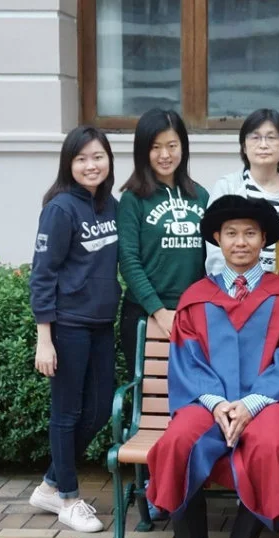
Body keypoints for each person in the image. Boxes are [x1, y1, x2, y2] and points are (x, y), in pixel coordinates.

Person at [146, 195, 279, 538]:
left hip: (268, 403)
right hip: (208, 403)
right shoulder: (196, 297)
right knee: (177, 441)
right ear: (217, 238)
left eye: (250, 233)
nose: (240, 242)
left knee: (270, 445)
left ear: (264, 239)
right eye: (231, 233)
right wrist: (219, 404)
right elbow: (188, 360)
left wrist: (250, 405)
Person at [28, 126, 120, 533]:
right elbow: (42, 275)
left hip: (101, 324)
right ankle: (67, 497)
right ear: (69, 163)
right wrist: (44, 338)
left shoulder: (111, 205)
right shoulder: (61, 209)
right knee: (66, 413)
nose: (90, 165)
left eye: (97, 156)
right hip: (68, 325)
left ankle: (50, 482)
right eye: (81, 158)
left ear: (108, 161)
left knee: (100, 409)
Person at [117, 108, 209, 378]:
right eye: (155, 147)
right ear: (143, 151)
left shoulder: (200, 195)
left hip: (192, 313)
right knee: (152, 398)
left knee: (193, 395)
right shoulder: (133, 200)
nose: (165, 155)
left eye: (172, 145)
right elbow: (129, 262)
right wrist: (158, 310)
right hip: (145, 316)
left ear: (183, 146)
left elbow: (210, 258)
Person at [205, 108, 279, 295]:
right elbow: (215, 252)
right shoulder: (226, 188)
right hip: (234, 297)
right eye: (255, 137)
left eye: (271, 137)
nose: (263, 145)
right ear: (244, 146)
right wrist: (241, 291)